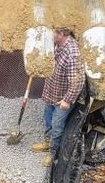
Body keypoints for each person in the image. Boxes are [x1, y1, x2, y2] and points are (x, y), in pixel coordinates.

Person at [31, 27, 84, 167]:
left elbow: (78, 81)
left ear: (62, 34)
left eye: (53, 32)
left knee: (57, 125)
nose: (50, 35)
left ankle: (53, 153)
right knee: (48, 118)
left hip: (62, 97)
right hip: (52, 91)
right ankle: (48, 142)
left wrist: (67, 100)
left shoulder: (72, 53)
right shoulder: (56, 44)